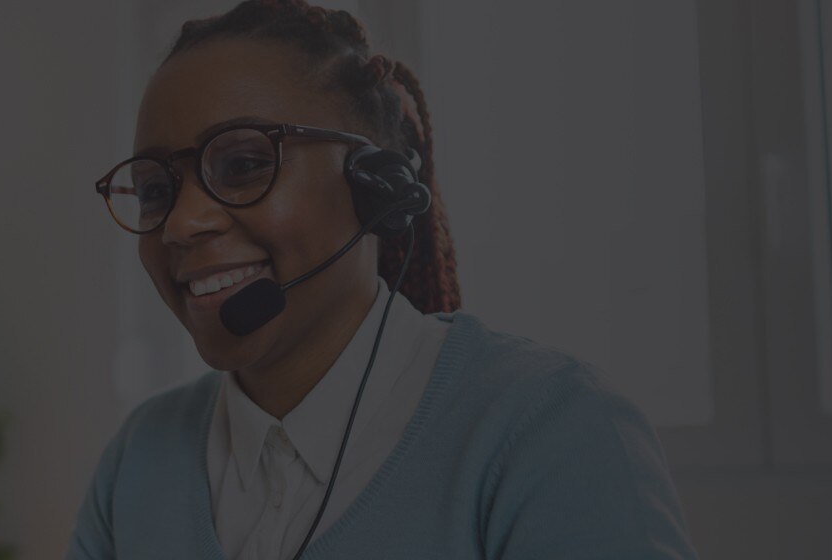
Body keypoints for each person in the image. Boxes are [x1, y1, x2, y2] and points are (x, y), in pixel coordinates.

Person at [67, 2, 696, 558]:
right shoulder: (139, 458)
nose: (181, 223)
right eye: (156, 191)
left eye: (243, 164)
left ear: (376, 189)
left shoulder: (550, 431)